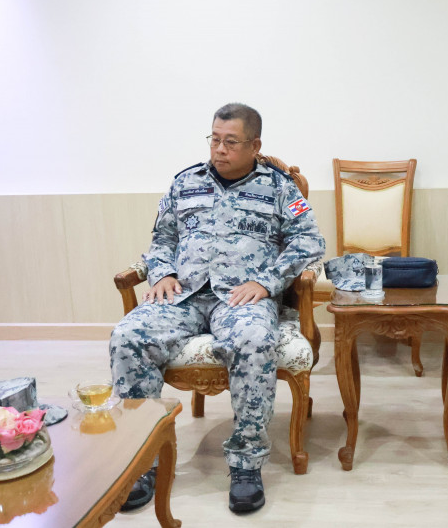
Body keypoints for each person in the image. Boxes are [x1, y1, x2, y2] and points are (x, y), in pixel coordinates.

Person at [109, 103, 325, 513]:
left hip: (242, 298)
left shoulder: (279, 187)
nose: (219, 149)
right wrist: (162, 272)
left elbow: (309, 242)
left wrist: (267, 282)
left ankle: (246, 465)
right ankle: (142, 460)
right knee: (128, 335)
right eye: (214, 139)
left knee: (254, 339)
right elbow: (162, 239)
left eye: (230, 142)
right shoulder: (184, 182)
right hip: (184, 294)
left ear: (254, 145)